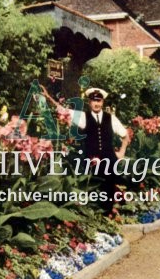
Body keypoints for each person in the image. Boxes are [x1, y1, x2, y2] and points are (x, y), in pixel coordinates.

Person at [41, 85, 130, 214]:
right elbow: (63, 110)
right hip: (90, 160)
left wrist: (121, 152)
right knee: (92, 189)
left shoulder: (111, 118)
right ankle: (92, 216)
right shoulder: (83, 117)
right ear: (89, 102)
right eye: (94, 100)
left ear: (102, 102)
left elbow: (125, 135)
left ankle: (107, 216)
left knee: (109, 188)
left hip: (109, 160)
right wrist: (48, 97)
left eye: (99, 101)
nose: (96, 104)